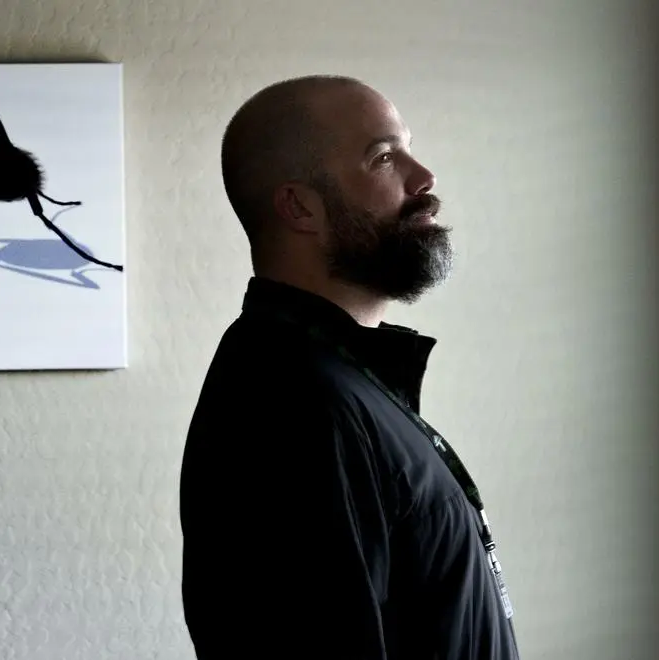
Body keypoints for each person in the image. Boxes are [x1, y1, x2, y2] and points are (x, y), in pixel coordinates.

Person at [179, 74, 522, 659]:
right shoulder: (293, 403)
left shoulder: (337, 380)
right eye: (384, 157)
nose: (423, 178)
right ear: (299, 207)